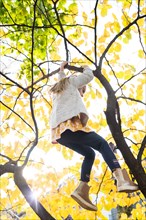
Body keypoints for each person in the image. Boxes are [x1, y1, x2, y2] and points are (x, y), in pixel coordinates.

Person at [49, 61, 138, 211]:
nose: (82, 94)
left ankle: (81, 189)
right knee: (102, 144)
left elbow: (61, 78)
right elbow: (88, 76)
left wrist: (62, 69)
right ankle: (121, 180)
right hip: (69, 127)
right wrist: (85, 67)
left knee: (89, 154)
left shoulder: (59, 90)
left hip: (60, 134)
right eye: (83, 90)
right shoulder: (72, 82)